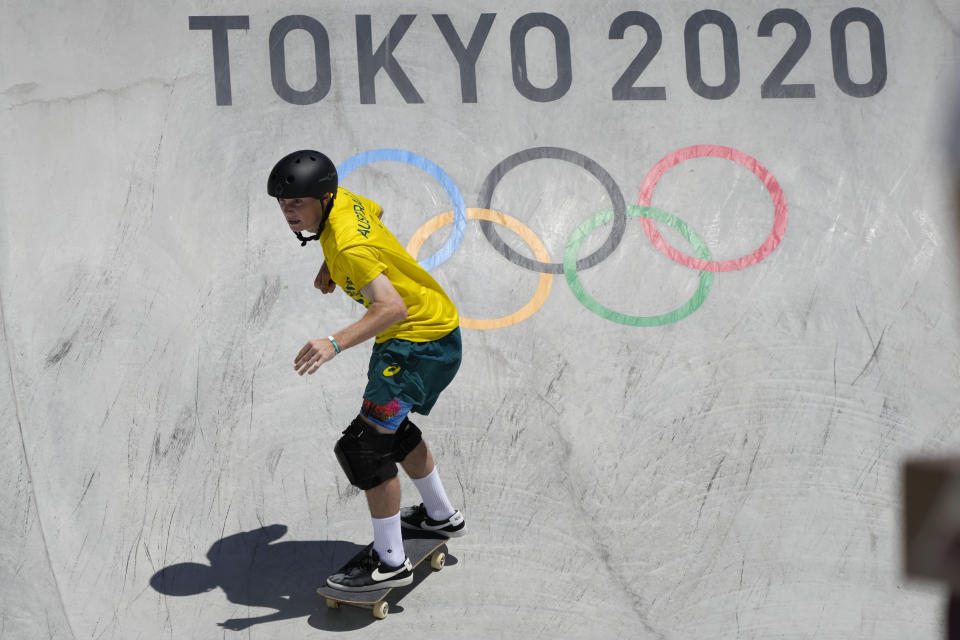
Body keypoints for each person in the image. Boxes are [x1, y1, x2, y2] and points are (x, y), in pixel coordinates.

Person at [267, 149, 466, 592]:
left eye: (296, 204)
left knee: (366, 449)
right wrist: (330, 262)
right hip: (436, 328)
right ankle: (440, 517)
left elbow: (390, 306)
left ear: (322, 198)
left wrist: (334, 342)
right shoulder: (344, 202)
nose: (288, 213)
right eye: (282, 205)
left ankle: (391, 562)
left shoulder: (350, 246)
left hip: (414, 344)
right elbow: (373, 211)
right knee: (390, 431)